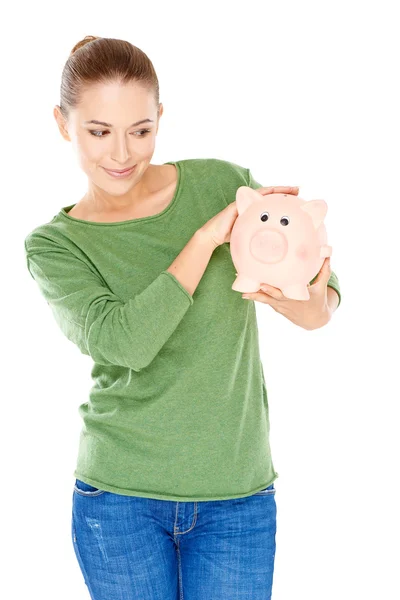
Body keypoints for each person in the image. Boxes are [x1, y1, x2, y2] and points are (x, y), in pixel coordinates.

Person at [24, 35, 341, 600]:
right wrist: (203, 239)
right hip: (118, 502)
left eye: (140, 131)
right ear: (62, 123)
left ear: (160, 118)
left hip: (236, 497)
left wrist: (309, 301)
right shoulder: (56, 245)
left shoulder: (222, 184)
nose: (121, 154)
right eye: (99, 132)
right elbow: (124, 341)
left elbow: (320, 301)